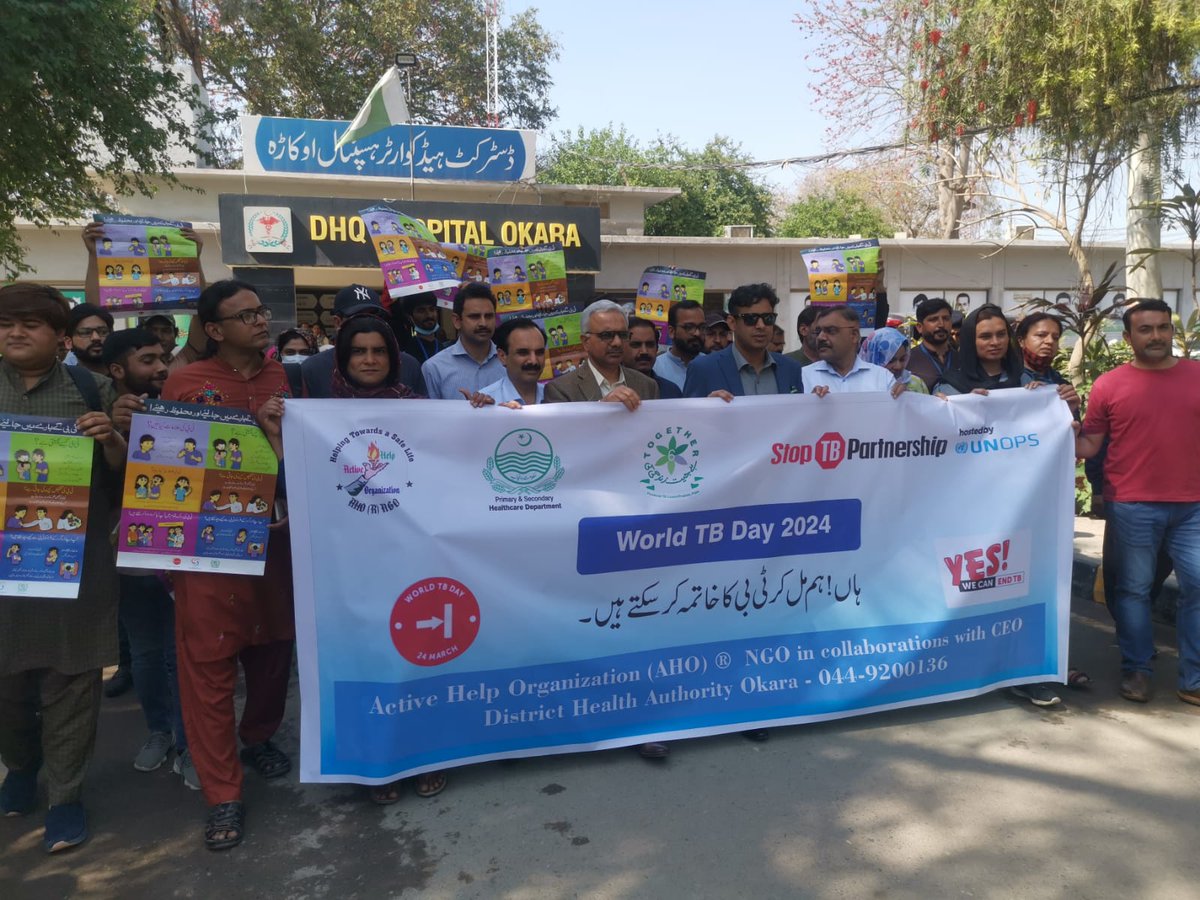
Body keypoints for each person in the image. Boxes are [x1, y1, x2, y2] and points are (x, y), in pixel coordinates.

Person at [258, 314, 445, 806]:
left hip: (414, 555)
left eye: (379, 351)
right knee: (367, 658)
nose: (369, 359)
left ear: (394, 359)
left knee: (420, 656)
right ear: (341, 359)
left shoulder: (423, 410)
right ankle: (375, 762)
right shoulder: (318, 416)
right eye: (358, 351)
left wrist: (485, 415)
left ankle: (424, 753)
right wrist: (277, 436)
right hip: (350, 563)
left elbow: (454, 466)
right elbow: (293, 485)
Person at [155, 280, 296, 851]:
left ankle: (258, 735)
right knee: (209, 664)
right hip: (207, 546)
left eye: (261, 311)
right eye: (246, 316)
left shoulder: (283, 377)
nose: (261, 321)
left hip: (276, 543)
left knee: (273, 649)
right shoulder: (185, 383)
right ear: (213, 330)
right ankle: (222, 794)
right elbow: (171, 467)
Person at [0, 283, 126, 853]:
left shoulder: (93, 389)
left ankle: (66, 795)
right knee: (7, 686)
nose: (15, 333)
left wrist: (112, 439)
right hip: (4, 566)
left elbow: (130, 476)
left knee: (72, 682)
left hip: (73, 562)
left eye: (30, 324)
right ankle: (20, 764)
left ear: (60, 338)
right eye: (6, 323)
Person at [1075, 299, 1200, 707]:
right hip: (1132, 505)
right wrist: (1056, 430)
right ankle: (1137, 670)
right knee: (1132, 590)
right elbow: (1090, 445)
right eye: (1146, 329)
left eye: (1163, 327)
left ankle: (1194, 679)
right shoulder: (1108, 385)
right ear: (1128, 338)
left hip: (1194, 506)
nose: (1157, 336)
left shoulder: (1197, 375)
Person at [103, 328, 196, 789]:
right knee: (145, 651)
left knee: (182, 653)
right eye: (147, 360)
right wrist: (114, 431)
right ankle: (159, 731)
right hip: (130, 555)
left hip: (183, 549)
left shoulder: (182, 404)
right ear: (118, 370)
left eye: (163, 357)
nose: (161, 367)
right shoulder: (101, 414)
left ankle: (188, 742)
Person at [81, 223, 209, 372]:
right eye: (151, 330)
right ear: (139, 332)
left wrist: (194, 258)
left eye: (165, 331)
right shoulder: (123, 364)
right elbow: (95, 313)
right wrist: (93, 254)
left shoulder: (185, 359)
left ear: (176, 334)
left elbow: (203, 310)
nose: (159, 336)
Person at [297, 285, 425, 398]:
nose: (370, 360)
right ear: (337, 322)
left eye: (374, 316)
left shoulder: (409, 366)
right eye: (357, 317)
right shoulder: (313, 369)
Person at [683, 284, 805, 402]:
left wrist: (814, 401)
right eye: (751, 318)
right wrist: (706, 407)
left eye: (768, 318)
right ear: (732, 322)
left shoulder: (791, 368)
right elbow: (688, 415)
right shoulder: (703, 369)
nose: (761, 325)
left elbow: (799, 413)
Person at [544, 299, 659, 409]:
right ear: (586, 341)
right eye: (607, 335)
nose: (617, 343)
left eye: (623, 335)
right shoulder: (561, 389)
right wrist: (602, 407)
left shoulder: (647, 385)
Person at [421, 283, 504, 400]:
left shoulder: (511, 363)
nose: (483, 323)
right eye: (474, 316)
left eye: (489, 316)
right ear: (457, 321)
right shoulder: (434, 368)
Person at [804, 306, 903, 397]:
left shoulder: (883, 378)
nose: (821, 337)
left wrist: (904, 399)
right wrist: (810, 404)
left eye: (831, 330)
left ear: (854, 335)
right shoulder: (803, 377)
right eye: (818, 332)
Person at [932, 305, 1025, 395]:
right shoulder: (950, 387)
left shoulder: (1024, 380)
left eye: (1001, 334)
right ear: (970, 340)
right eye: (986, 336)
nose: (995, 342)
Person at [467, 317, 547, 407]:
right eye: (523, 353)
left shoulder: (554, 397)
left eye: (539, 353)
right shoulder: (484, 403)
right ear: (502, 356)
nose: (533, 361)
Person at [1015, 312, 1081, 415]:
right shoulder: (1007, 380)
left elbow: (1070, 424)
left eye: (1055, 337)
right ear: (1021, 341)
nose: (1050, 341)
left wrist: (1071, 410)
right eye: (1041, 335)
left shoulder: (1061, 385)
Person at [652, 299, 706, 390]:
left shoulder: (713, 366)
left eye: (702, 327)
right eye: (689, 327)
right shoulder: (655, 368)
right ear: (672, 331)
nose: (697, 333)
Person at [858, 327, 930, 395]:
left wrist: (908, 397)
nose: (898, 366)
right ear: (873, 358)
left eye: (902, 359)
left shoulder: (917, 384)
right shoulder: (858, 385)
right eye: (890, 360)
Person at [907, 297, 957, 391]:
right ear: (919, 327)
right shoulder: (907, 361)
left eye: (946, 319)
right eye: (933, 320)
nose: (941, 324)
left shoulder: (963, 360)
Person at [628, 317, 683, 399]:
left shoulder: (671, 392)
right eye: (636, 345)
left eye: (650, 345)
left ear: (657, 348)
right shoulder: (612, 389)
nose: (644, 351)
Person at [397, 293, 450, 364]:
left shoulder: (446, 350)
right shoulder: (407, 352)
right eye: (421, 311)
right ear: (410, 317)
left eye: (432, 309)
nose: (429, 315)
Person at [64, 304, 114, 374]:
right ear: (68, 342)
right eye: (86, 333)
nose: (96, 338)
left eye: (103, 332)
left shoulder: (126, 376)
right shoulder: (64, 379)